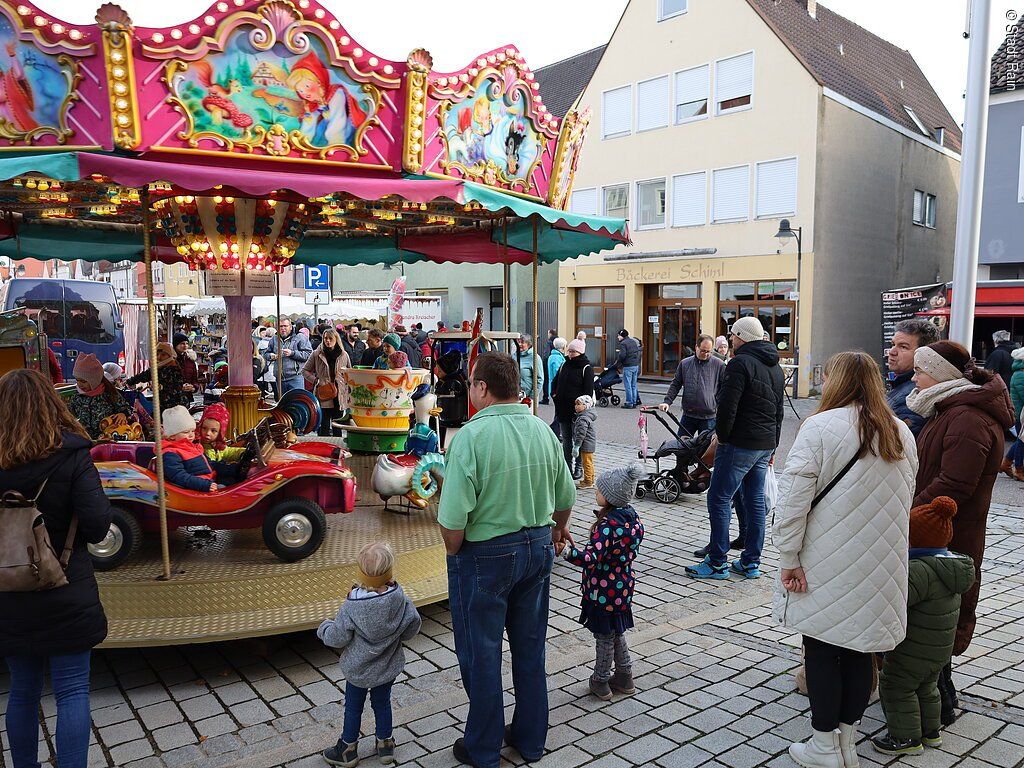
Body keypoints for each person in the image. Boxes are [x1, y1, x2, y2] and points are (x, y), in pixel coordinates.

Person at [772, 350, 918, 768]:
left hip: (826, 558)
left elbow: (793, 501)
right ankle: (847, 743)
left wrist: (788, 558)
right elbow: (906, 496)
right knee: (860, 650)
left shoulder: (819, 427)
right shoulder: (900, 432)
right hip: (882, 563)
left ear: (835, 382)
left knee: (820, 648)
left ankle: (823, 745)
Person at [437, 354, 576, 768]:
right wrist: (555, 529)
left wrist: (454, 548)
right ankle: (531, 740)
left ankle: (483, 747)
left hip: (485, 556)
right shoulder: (542, 429)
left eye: (470, 384)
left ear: (481, 387)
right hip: (537, 547)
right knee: (530, 648)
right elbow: (566, 497)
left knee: (481, 653)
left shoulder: (469, 437)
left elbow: (453, 523)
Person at [0, 370, 113, 768]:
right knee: (71, 689)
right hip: (66, 587)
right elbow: (99, 527)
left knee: (23, 690)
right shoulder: (72, 457)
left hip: (6, 592)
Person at [907, 340, 1014, 723]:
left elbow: (954, 483)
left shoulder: (967, 416)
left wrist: (909, 513)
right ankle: (934, 695)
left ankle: (939, 704)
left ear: (941, 374)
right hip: (939, 528)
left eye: (920, 369)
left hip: (948, 533)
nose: (914, 376)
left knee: (938, 616)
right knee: (932, 618)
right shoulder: (950, 409)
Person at [872, 497, 975, 757]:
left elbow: (896, 600)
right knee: (927, 687)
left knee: (897, 686)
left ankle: (905, 738)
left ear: (914, 539)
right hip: (938, 649)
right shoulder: (951, 566)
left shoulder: (919, 570)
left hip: (912, 648)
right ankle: (931, 732)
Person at [687, 317, 783, 580]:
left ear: (741, 336)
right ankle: (751, 562)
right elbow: (779, 411)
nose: (730, 339)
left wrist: (724, 439)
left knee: (718, 498)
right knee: (754, 503)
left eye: (733, 335)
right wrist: (773, 445)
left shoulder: (739, 363)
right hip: (764, 445)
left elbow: (728, 406)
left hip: (739, 443)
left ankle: (717, 562)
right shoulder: (775, 366)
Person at [318, 541, 421, 768]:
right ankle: (385, 745)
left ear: (361, 574)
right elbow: (414, 625)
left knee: (354, 707)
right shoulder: (401, 599)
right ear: (390, 571)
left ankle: (347, 749)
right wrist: (395, 637)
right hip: (387, 668)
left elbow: (338, 637)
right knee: (382, 703)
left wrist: (324, 628)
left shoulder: (352, 605)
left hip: (358, 670)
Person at [560, 462, 645, 701]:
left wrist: (567, 552)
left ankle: (601, 679)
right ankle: (625, 676)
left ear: (610, 497)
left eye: (600, 491)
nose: (596, 493)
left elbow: (590, 559)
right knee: (617, 632)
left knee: (605, 637)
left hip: (603, 591)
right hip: (623, 588)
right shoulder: (633, 521)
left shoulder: (607, 527)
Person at [659, 334, 725, 436]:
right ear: (696, 347)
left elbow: (724, 388)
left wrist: (716, 403)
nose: (706, 354)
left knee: (706, 449)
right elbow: (676, 384)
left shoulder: (719, 365)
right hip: (689, 414)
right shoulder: (685, 364)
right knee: (681, 445)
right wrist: (667, 402)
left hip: (709, 417)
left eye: (709, 351)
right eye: (703, 350)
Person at [886, 319, 941, 437]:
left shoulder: (913, 395)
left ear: (924, 353)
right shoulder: (902, 386)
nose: (892, 352)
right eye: (892, 345)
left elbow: (899, 447)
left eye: (903, 347)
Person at [67, 353, 134, 441]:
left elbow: (126, 408)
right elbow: (69, 415)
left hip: (107, 438)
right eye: (77, 380)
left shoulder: (109, 393)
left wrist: (123, 414)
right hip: (85, 438)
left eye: (83, 381)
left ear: (94, 380)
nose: (79, 384)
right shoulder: (76, 397)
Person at [551, 338, 594, 474]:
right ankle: (567, 468)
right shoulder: (565, 365)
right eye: (569, 351)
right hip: (563, 409)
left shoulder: (587, 368)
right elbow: (556, 381)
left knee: (579, 439)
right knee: (567, 440)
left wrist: (581, 406)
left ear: (580, 352)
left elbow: (588, 393)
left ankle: (579, 468)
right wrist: (554, 395)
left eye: (573, 352)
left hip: (578, 412)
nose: (570, 354)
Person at [303, 328, 351, 437]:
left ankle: (338, 447)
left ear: (336, 339)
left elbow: (349, 372)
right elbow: (305, 371)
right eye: (325, 339)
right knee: (324, 424)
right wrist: (316, 381)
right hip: (324, 391)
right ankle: (323, 447)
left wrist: (346, 387)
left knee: (337, 425)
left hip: (339, 393)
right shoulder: (317, 354)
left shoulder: (344, 355)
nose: (328, 341)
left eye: (330, 338)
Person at [160, 405, 219, 493]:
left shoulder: (193, 446)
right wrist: (204, 485)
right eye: (186, 432)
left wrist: (233, 468)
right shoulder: (170, 453)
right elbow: (178, 476)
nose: (191, 435)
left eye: (192, 431)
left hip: (209, 480)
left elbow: (209, 464)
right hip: (198, 487)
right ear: (172, 436)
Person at [126, 342, 192, 410]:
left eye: (163, 355)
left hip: (173, 406)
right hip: (166, 404)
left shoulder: (171, 368)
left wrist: (129, 381)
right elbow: (144, 375)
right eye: (157, 354)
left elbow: (145, 375)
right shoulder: (160, 367)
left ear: (170, 355)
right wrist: (128, 381)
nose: (159, 357)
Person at [198, 403, 248, 486]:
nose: (207, 433)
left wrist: (243, 452)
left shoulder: (217, 444)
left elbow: (227, 452)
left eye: (213, 431)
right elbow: (212, 465)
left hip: (216, 474)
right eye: (204, 428)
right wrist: (235, 468)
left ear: (220, 433)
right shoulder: (199, 446)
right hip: (210, 479)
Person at [264, 317, 313, 395]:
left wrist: (292, 353)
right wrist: (271, 356)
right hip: (279, 379)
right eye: (280, 326)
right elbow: (266, 354)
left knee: (297, 402)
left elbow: (309, 355)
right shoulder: (274, 339)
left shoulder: (300, 337)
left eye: (285, 326)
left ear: (290, 327)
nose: (283, 328)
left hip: (295, 378)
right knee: (283, 404)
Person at [1004, 347, 1024, 481]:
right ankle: (1018, 468)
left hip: (1020, 413)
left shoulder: (1019, 373)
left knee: (1021, 440)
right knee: (1022, 440)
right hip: (1020, 414)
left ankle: (1006, 463)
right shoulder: (1021, 375)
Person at [611, 329, 641, 409]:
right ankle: (634, 402)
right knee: (633, 385)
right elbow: (637, 352)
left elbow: (622, 355)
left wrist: (617, 364)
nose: (617, 337)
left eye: (618, 335)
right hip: (635, 365)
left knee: (628, 385)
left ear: (622, 336)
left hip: (628, 366)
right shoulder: (632, 341)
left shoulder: (623, 343)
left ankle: (629, 402)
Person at [571, 395, 597, 489]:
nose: (576, 406)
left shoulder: (583, 418)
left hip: (586, 444)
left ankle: (588, 481)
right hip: (588, 443)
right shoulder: (585, 416)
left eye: (578, 404)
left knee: (587, 463)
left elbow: (581, 433)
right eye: (575, 404)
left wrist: (577, 445)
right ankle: (590, 479)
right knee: (588, 462)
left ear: (585, 406)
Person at [516, 334, 544, 403]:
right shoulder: (514, 355)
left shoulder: (534, 358)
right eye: (518, 342)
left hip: (527, 398)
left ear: (529, 344)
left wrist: (531, 397)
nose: (519, 344)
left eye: (522, 342)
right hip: (514, 395)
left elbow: (539, 379)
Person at [173, 332, 199, 398]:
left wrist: (193, 387)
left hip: (186, 398)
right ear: (176, 345)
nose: (185, 346)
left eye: (186, 343)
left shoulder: (190, 361)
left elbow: (195, 380)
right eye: (182, 343)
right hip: (172, 398)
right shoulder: (170, 360)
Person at [544, 337, 566, 408]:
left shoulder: (553, 356)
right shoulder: (557, 358)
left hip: (555, 387)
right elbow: (558, 373)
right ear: (562, 347)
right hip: (557, 387)